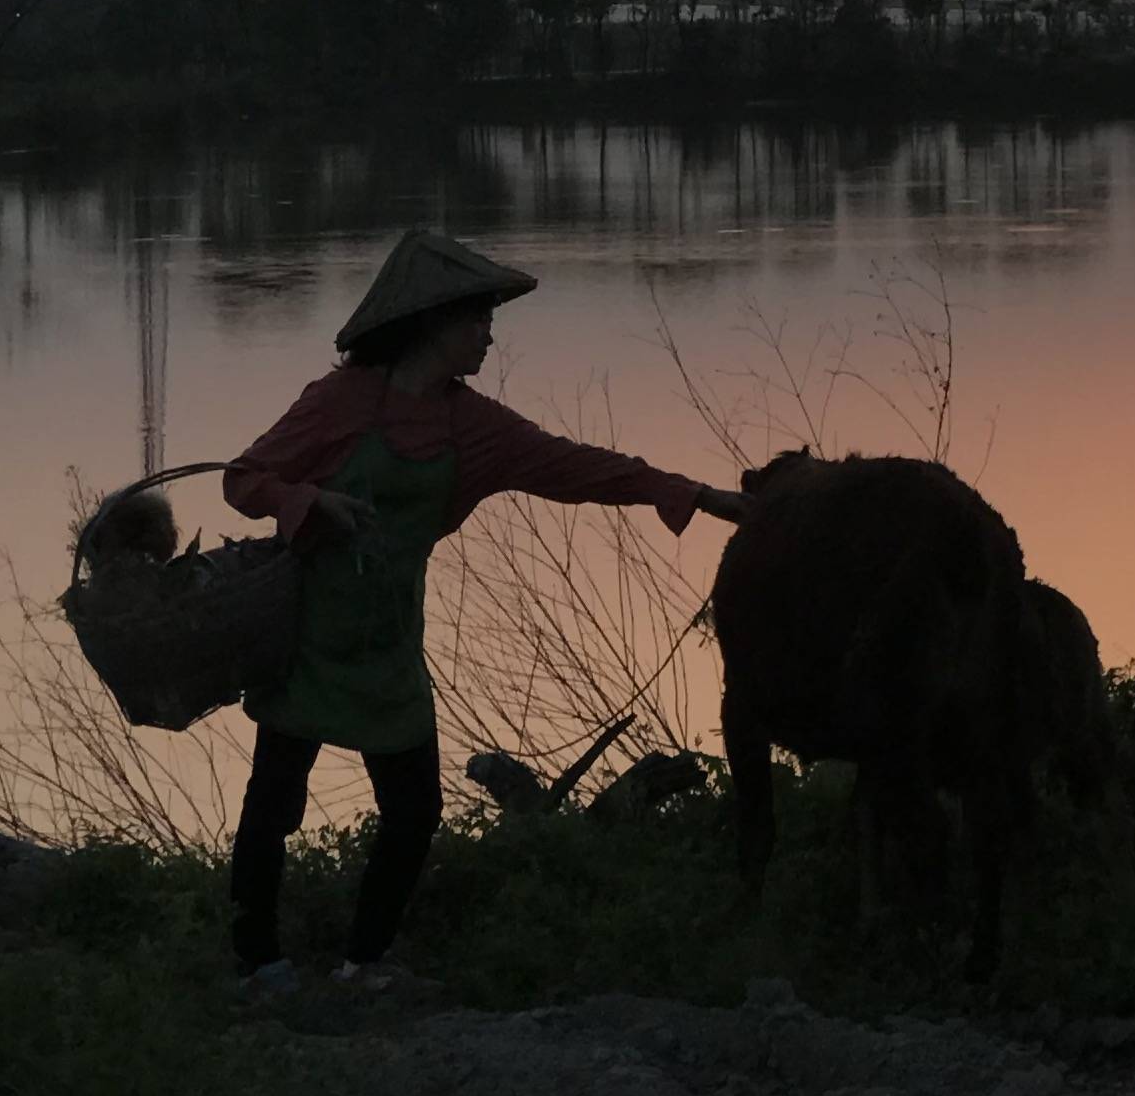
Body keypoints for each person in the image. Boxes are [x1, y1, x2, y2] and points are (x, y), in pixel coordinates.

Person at [220, 228, 744, 983]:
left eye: (490, 319)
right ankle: (257, 964)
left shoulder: (474, 426)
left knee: (414, 811)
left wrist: (697, 494)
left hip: (390, 644)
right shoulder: (339, 401)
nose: (489, 336)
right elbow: (244, 479)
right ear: (431, 322)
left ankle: (363, 964)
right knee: (273, 803)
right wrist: (309, 502)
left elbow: (578, 467)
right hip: (307, 636)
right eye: (477, 320)